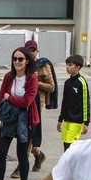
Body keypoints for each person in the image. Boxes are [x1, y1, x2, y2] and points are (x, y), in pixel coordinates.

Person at [0, 47, 40, 180]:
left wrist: (9, 98)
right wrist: (11, 100)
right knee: (1, 152)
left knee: (22, 154)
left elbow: (27, 101)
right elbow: (0, 98)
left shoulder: (32, 79)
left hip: (25, 120)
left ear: (27, 61)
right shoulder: (8, 76)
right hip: (9, 118)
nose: (17, 62)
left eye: (20, 59)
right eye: (14, 59)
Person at [27, 40, 58, 172]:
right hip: (24, 101)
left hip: (38, 102)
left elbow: (51, 87)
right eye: (29, 50)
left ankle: (22, 163)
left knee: (29, 131)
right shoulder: (22, 63)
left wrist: (37, 82)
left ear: (37, 52)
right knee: (23, 132)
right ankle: (38, 154)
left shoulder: (43, 65)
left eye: (33, 50)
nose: (31, 53)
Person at [56, 54, 91, 153]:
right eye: (67, 65)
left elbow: (85, 103)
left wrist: (86, 122)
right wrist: (60, 119)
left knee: (70, 145)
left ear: (77, 67)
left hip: (77, 120)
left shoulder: (81, 82)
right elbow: (64, 102)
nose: (67, 67)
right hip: (67, 119)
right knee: (65, 144)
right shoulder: (67, 82)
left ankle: (71, 162)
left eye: (70, 65)